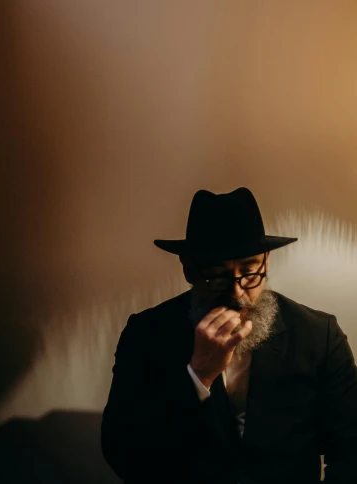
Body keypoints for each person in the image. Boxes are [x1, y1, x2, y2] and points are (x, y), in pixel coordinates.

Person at [101, 187, 357, 483]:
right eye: (218, 275)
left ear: (267, 260)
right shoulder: (146, 334)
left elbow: (350, 449)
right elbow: (122, 452)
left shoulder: (319, 335)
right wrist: (198, 375)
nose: (236, 292)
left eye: (250, 271)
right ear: (189, 270)